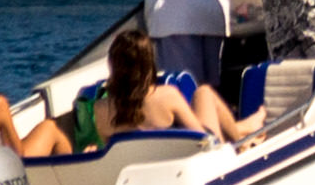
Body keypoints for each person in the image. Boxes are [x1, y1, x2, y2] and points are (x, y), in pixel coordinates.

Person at [89, 29, 256, 152]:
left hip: (141, 171)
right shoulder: (166, 96)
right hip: (186, 164)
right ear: (148, 63)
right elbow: (202, 138)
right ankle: (242, 145)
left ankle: (245, 128)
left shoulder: (101, 109)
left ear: (113, 65)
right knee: (204, 93)